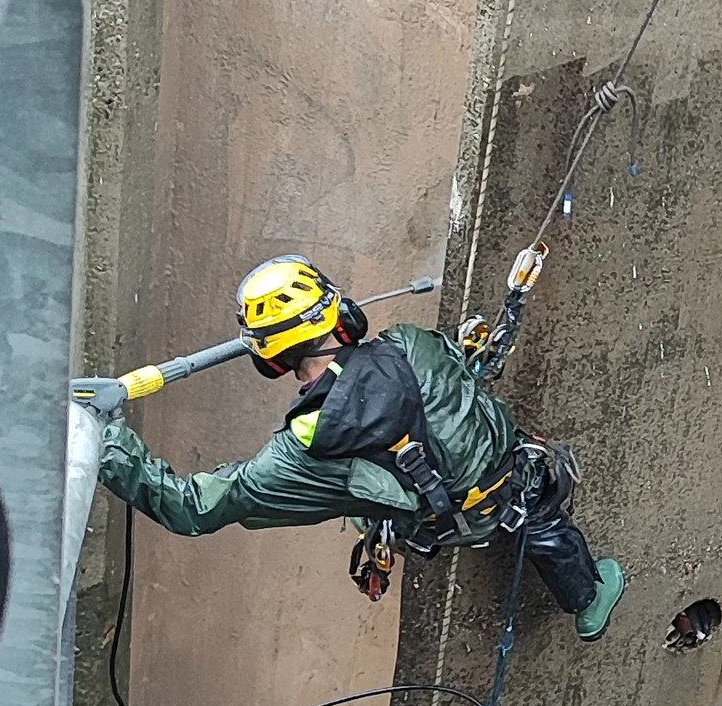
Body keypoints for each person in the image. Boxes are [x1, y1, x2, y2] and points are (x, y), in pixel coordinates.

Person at [97, 257, 627, 637]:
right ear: (338, 314)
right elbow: (463, 379)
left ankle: (379, 514)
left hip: (446, 526)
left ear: (271, 359)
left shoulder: (303, 453)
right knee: (548, 530)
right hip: (521, 485)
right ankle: (586, 601)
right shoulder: (409, 342)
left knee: (355, 495)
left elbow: (193, 507)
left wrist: (106, 441)